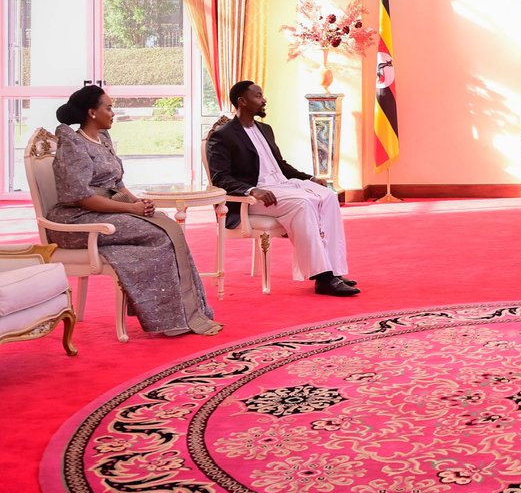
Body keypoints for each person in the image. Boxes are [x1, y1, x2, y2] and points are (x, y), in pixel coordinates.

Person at [46, 85, 221, 336]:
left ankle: (188, 313)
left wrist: (139, 203)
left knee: (166, 223)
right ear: (92, 112)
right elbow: (83, 198)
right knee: (160, 235)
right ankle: (171, 319)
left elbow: (117, 185)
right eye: (109, 107)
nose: (113, 113)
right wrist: (131, 208)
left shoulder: (102, 139)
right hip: (77, 221)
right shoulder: (73, 143)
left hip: (104, 211)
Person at [207, 81, 360, 297]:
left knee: (328, 197)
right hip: (254, 197)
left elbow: (281, 166)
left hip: (282, 186)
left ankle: (334, 270)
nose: (264, 100)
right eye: (258, 96)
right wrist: (251, 190)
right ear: (242, 101)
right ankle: (322, 277)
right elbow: (220, 178)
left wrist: (309, 178)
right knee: (303, 204)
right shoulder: (223, 136)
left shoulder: (265, 129)